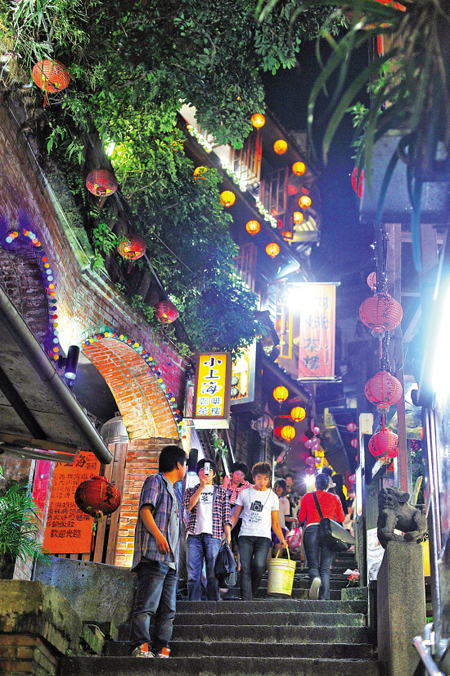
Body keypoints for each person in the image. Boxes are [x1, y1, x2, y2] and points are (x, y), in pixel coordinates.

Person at [129, 445, 187, 658]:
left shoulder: (176, 491)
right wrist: (159, 536)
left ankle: (162, 647)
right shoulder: (155, 481)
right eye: (185, 464)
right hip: (154, 554)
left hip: (171, 561)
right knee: (147, 604)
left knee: (168, 609)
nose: (185, 468)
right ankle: (140, 645)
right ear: (178, 464)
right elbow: (145, 510)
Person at [231, 461, 287, 600]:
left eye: (265, 478)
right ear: (254, 477)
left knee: (260, 565)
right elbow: (235, 515)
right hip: (245, 535)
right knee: (245, 567)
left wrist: (282, 539)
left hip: (264, 536)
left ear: (269, 479)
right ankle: (247, 600)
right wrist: (226, 532)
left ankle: (251, 592)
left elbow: (275, 522)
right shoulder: (245, 493)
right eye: (259, 478)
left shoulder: (272, 497)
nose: (262, 482)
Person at [183, 458, 231, 601]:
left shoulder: (221, 492)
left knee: (213, 574)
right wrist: (201, 487)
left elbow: (226, 515)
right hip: (194, 535)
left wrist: (227, 535)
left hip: (214, 535)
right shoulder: (190, 490)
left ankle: (212, 604)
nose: (206, 473)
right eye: (202, 470)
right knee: (193, 574)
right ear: (198, 473)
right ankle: (194, 604)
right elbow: (188, 506)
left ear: (214, 474)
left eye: (209, 470)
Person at [298, 472, 346, 600]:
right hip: (328, 532)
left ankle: (315, 578)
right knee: (325, 568)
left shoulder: (307, 497)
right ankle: (324, 598)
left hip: (311, 530)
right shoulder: (334, 498)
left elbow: (301, 517)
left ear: (315, 484)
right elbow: (341, 518)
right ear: (328, 486)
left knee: (313, 565)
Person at [222, 461, 251, 566]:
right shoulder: (225, 486)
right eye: (237, 474)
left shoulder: (246, 488)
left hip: (240, 519)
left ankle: (239, 567)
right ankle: (229, 564)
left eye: (242, 475)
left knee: (239, 543)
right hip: (225, 519)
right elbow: (219, 498)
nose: (239, 477)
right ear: (232, 473)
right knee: (226, 541)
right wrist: (225, 484)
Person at [272, 479, 297, 556]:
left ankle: (277, 563)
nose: (278, 488)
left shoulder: (285, 501)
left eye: (280, 487)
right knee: (268, 546)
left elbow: (286, 517)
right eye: (276, 486)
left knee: (279, 545)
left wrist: (293, 519)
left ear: (283, 488)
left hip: (281, 527)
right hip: (269, 527)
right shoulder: (270, 498)